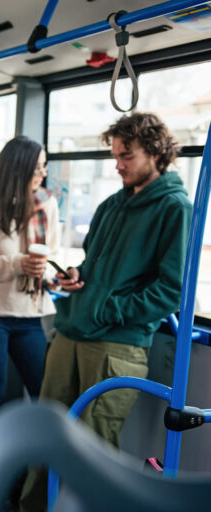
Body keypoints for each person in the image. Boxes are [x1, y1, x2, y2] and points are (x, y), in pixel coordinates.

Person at [20, 113, 192, 511]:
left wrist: (107, 308)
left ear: (155, 153)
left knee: (91, 446)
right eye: (115, 156)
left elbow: (171, 290)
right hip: (72, 332)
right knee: (45, 433)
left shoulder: (175, 208)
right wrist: (79, 277)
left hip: (117, 343)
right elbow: (95, 265)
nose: (117, 165)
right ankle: (30, 506)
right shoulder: (112, 204)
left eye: (126, 156)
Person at [0, 135, 59, 429]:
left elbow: (52, 257)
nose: (43, 174)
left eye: (44, 167)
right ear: (19, 169)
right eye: (38, 168)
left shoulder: (47, 207)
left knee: (44, 392)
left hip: (30, 315)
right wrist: (17, 263)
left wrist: (53, 276)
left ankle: (37, 470)